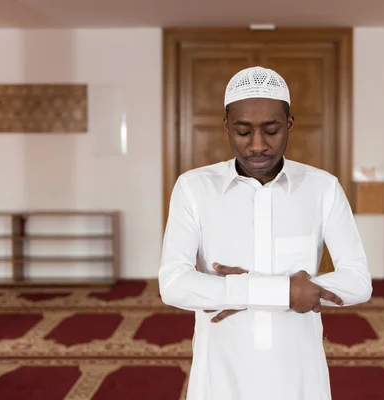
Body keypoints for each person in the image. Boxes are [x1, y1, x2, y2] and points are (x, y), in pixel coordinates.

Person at [159, 66, 372, 400]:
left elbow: (358, 281)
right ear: (227, 126)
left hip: (298, 373)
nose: (257, 145)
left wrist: (233, 290)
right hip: (221, 372)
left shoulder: (322, 188)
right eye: (243, 131)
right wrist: (285, 292)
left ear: (289, 124)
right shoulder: (193, 188)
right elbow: (173, 284)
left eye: (271, 130)